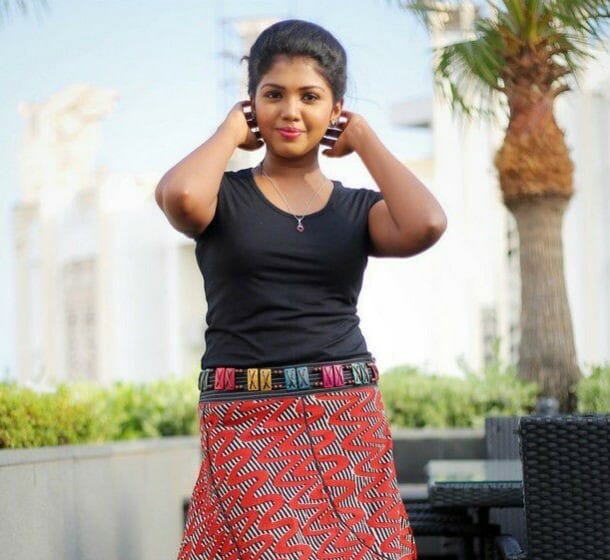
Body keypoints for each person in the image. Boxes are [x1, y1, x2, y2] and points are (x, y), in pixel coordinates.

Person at [156, 18, 446, 560]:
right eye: (273, 95)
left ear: (336, 110)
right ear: (251, 105)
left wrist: (365, 139)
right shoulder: (222, 198)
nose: (291, 111)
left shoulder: (357, 209)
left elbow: (426, 223)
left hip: (345, 415)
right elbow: (179, 197)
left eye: (310, 97)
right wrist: (228, 133)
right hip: (245, 418)